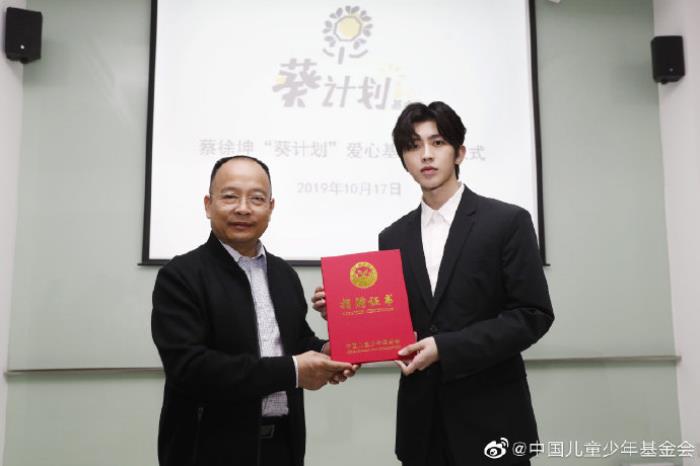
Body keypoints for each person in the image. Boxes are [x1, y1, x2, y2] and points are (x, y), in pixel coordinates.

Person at [312, 101, 554, 466]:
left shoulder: (507, 222)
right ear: (404, 161)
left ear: (460, 152)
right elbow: (397, 323)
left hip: (492, 418)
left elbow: (532, 315)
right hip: (421, 426)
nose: (425, 154)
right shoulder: (393, 236)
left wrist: (445, 347)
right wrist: (347, 313)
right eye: (413, 146)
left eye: (437, 142)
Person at [152, 155, 356, 466]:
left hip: (282, 446)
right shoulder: (181, 276)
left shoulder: (284, 274)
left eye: (257, 199)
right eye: (230, 196)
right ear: (208, 205)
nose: (244, 208)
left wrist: (331, 350)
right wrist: (293, 370)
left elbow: (295, 343)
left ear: (271, 208)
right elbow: (189, 368)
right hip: (207, 449)